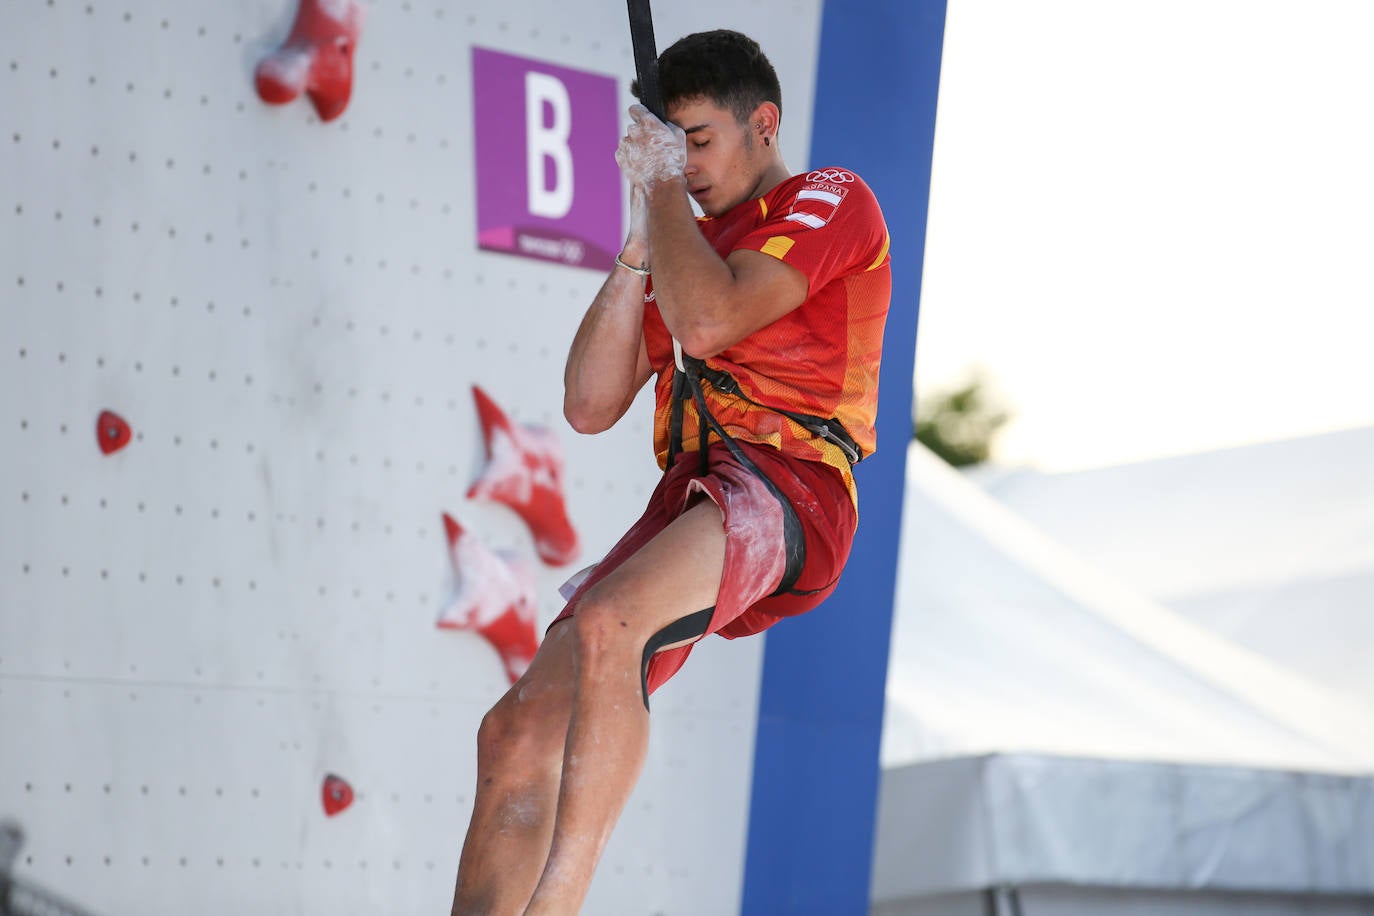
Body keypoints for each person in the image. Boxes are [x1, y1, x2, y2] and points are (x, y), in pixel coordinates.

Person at [450, 29, 891, 916]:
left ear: (762, 124)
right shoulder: (682, 240)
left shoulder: (829, 198)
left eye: (699, 141)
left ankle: (557, 905)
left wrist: (660, 196)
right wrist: (640, 243)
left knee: (615, 619)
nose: (682, 165)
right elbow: (588, 404)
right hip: (694, 492)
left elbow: (710, 322)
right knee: (514, 731)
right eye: (668, 146)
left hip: (792, 486)